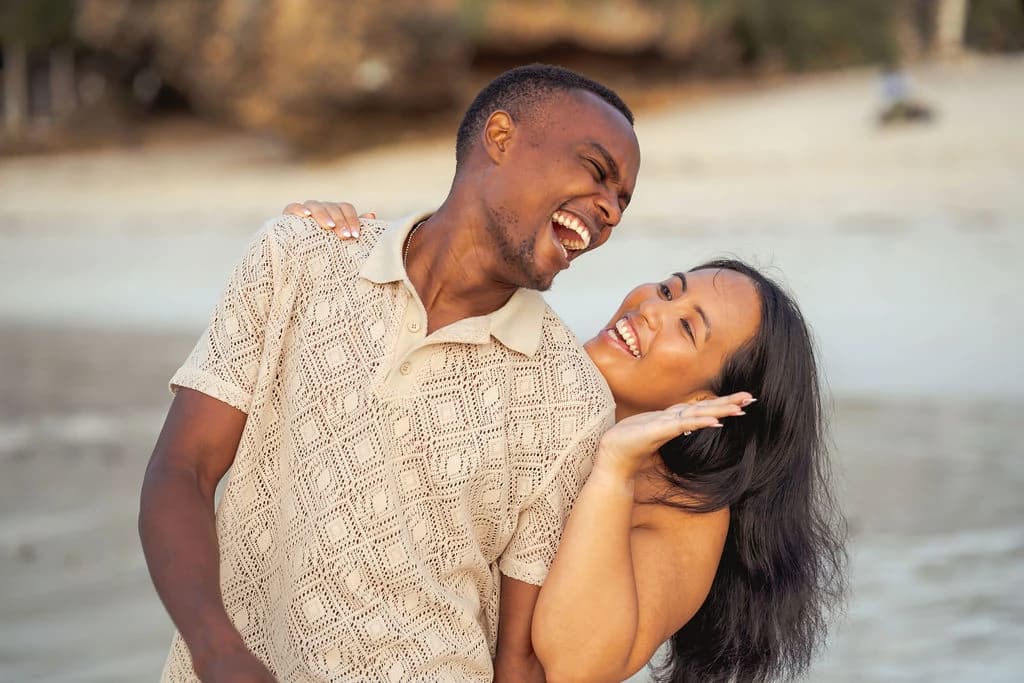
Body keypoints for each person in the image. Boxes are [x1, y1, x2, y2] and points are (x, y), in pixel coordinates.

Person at [140, 64, 645, 682]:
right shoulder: (301, 256)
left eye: (622, 200)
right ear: (501, 137)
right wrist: (217, 653)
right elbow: (182, 470)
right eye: (598, 172)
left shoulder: (571, 399)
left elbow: (519, 656)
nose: (611, 211)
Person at [294, 201, 848, 683]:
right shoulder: (533, 370)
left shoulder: (686, 512)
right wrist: (336, 240)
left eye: (687, 327)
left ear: (709, 401)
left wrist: (614, 470)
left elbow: (575, 664)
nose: (651, 310)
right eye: (666, 289)